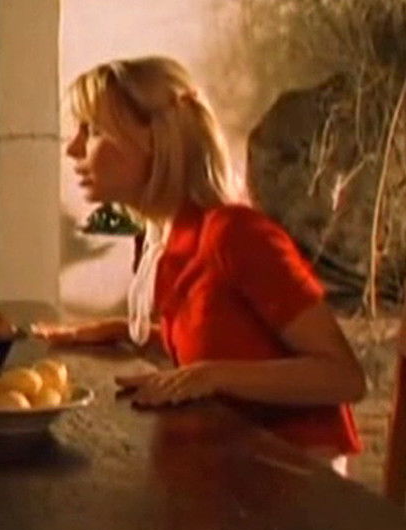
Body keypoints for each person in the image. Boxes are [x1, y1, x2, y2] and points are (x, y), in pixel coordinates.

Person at [33, 56, 365, 473]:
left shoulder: (236, 234)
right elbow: (225, 340)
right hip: (235, 462)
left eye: (94, 130)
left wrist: (211, 376)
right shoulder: (164, 237)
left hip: (296, 477)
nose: (73, 148)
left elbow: (343, 377)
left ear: (156, 140)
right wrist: (120, 332)